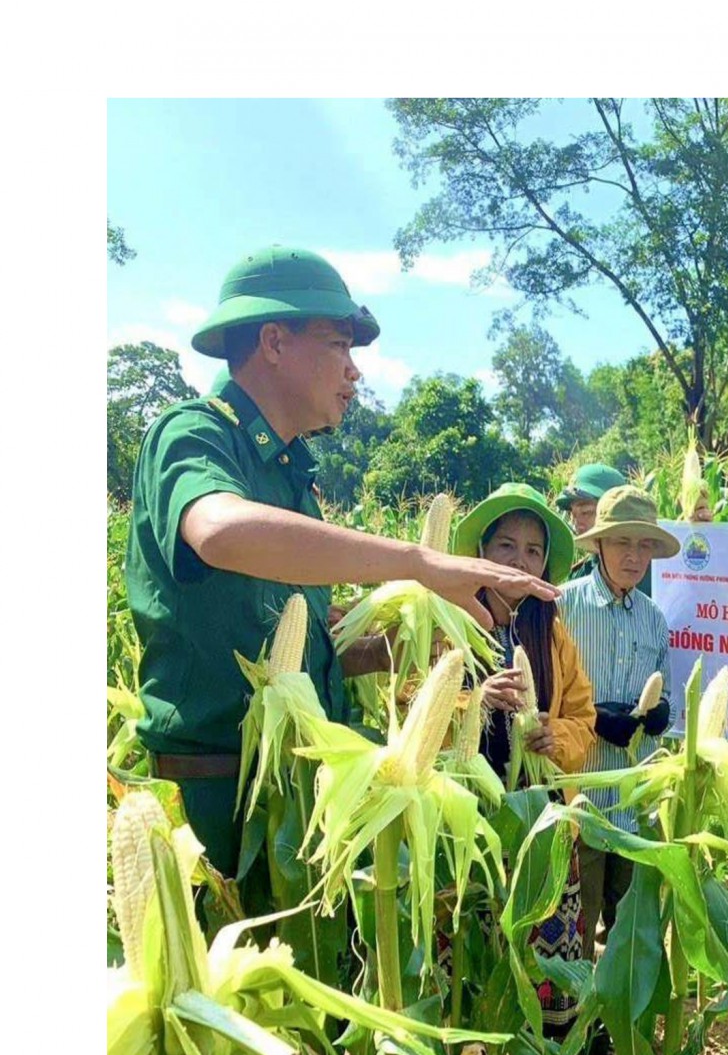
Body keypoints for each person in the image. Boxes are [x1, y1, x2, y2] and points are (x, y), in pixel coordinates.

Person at [125, 246, 556, 876]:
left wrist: (403, 645)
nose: (354, 372)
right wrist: (416, 563)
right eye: (339, 345)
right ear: (274, 341)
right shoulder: (196, 434)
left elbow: (300, 644)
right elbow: (217, 529)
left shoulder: (296, 478)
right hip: (217, 797)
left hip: (303, 789)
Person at [452, 483, 597, 1055]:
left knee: (541, 987)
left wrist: (553, 736)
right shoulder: (451, 618)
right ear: (481, 549)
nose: (519, 560)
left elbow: (583, 719)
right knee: (474, 978)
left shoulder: (551, 628)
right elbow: (410, 700)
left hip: (540, 836)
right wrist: (472, 703)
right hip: (469, 830)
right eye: (506, 545)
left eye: (534, 550)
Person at [559, 485, 675, 962]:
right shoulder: (563, 607)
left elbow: (662, 689)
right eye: (624, 542)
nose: (634, 556)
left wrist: (660, 712)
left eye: (644, 545)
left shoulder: (654, 620)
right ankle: (581, 1030)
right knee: (577, 927)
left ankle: (619, 1026)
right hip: (580, 803)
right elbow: (544, 698)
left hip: (633, 804)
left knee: (628, 932)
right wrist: (592, 720)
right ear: (599, 544)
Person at [557, 463, 656, 596]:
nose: (577, 523)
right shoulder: (581, 573)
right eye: (573, 515)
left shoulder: (658, 575)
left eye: (586, 512)